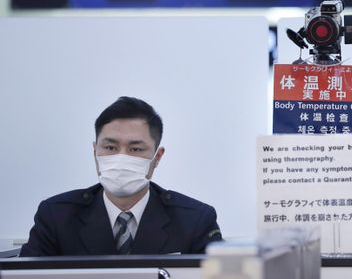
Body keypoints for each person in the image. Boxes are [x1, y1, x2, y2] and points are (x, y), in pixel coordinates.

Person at [20, 96, 223, 256]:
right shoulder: (56, 216)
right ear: (95, 151)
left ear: (157, 157)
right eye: (110, 147)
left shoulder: (195, 219)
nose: (121, 158)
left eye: (135, 149)